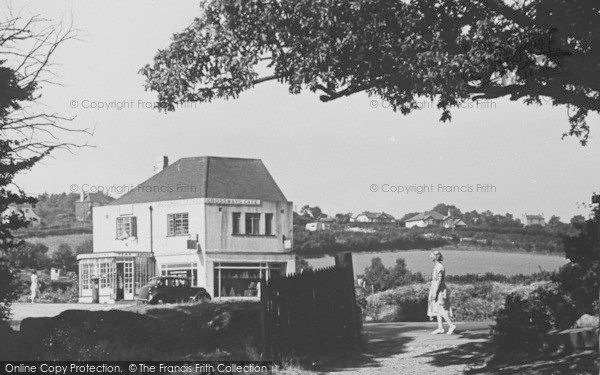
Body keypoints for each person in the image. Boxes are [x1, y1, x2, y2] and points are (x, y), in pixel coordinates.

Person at [427, 250, 456, 334]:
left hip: (439, 289)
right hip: (436, 288)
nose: (430, 257)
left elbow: (439, 281)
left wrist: (435, 292)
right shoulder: (436, 266)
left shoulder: (439, 267)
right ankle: (440, 328)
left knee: (441, 308)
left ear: (437, 257)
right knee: (437, 309)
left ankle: (451, 325)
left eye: (432, 256)